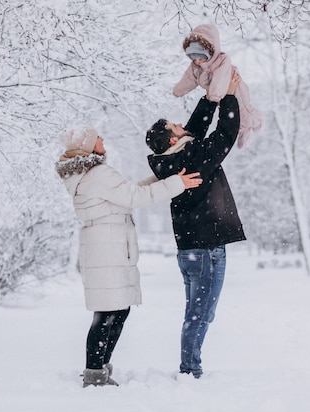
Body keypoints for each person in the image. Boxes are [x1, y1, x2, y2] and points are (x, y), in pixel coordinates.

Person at [55, 125, 203, 387]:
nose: (102, 138)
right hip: (107, 247)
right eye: (97, 137)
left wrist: (163, 180)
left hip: (103, 245)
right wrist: (176, 183)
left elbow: (127, 191)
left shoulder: (88, 174)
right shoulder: (98, 174)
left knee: (115, 311)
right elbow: (136, 197)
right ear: (88, 146)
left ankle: (98, 368)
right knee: (109, 312)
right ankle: (94, 372)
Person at [145, 69, 245, 379]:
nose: (180, 125)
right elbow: (225, 135)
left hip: (190, 251)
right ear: (173, 138)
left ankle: (190, 367)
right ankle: (190, 371)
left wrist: (210, 97)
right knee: (200, 315)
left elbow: (195, 131)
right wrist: (228, 95)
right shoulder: (193, 159)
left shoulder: (175, 160)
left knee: (199, 313)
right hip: (206, 252)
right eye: (175, 125)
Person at [173, 23, 262, 148]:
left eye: (201, 57)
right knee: (231, 115)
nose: (197, 61)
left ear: (210, 51)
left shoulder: (222, 60)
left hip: (235, 88)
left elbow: (221, 77)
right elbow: (189, 79)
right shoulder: (196, 67)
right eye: (193, 58)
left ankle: (256, 122)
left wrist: (214, 95)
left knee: (243, 109)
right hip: (219, 96)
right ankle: (242, 130)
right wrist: (178, 91)